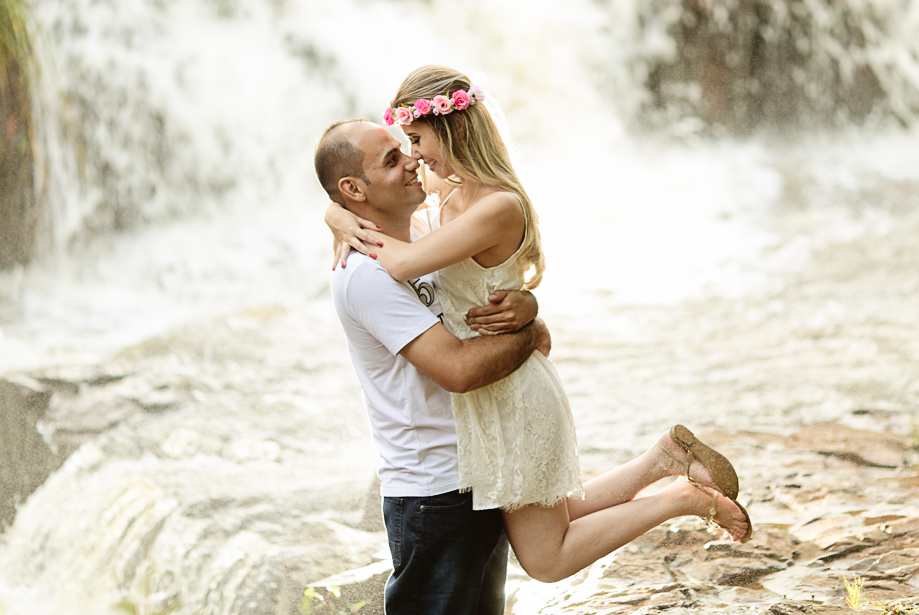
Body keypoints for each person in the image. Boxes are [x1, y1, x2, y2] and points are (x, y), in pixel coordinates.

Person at [322, 66, 752, 592]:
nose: (413, 159)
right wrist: (336, 212)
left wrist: (343, 216)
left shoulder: (493, 204)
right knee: (559, 510)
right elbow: (390, 221)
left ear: (451, 130)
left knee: (546, 557)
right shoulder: (443, 195)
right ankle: (661, 461)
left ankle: (681, 499)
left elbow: (406, 263)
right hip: (493, 400)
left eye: (413, 141)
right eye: (401, 149)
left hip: (508, 393)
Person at [315, 118, 549, 615]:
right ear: (354, 188)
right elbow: (459, 370)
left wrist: (527, 307)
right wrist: (532, 334)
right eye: (392, 159)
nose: (412, 160)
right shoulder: (364, 276)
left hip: (475, 469)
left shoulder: (422, 231)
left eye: (407, 148)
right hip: (432, 494)